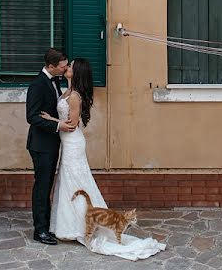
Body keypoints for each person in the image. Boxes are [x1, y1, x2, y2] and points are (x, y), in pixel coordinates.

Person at [42, 58, 166, 261]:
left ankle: (83, 226)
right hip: (67, 144)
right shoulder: (67, 91)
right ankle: (71, 224)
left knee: (76, 181)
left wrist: (50, 119)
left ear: (77, 71)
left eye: (71, 66)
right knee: (68, 182)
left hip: (73, 143)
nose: (68, 68)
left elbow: (72, 125)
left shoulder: (74, 97)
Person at [26, 48, 75, 245]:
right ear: (51, 66)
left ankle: (46, 225)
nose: (65, 69)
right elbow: (32, 116)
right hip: (41, 145)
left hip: (51, 143)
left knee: (47, 186)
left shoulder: (55, 81)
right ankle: (40, 230)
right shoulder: (38, 84)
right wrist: (58, 125)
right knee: (42, 187)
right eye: (63, 67)